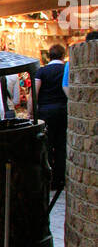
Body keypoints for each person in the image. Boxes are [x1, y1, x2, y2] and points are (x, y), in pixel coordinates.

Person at [34, 42, 68, 190]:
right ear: (63, 55)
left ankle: (49, 178)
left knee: (46, 145)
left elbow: (35, 92)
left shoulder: (42, 71)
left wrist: (31, 111)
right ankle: (60, 178)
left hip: (46, 112)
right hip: (63, 111)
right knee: (61, 145)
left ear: (49, 56)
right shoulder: (66, 70)